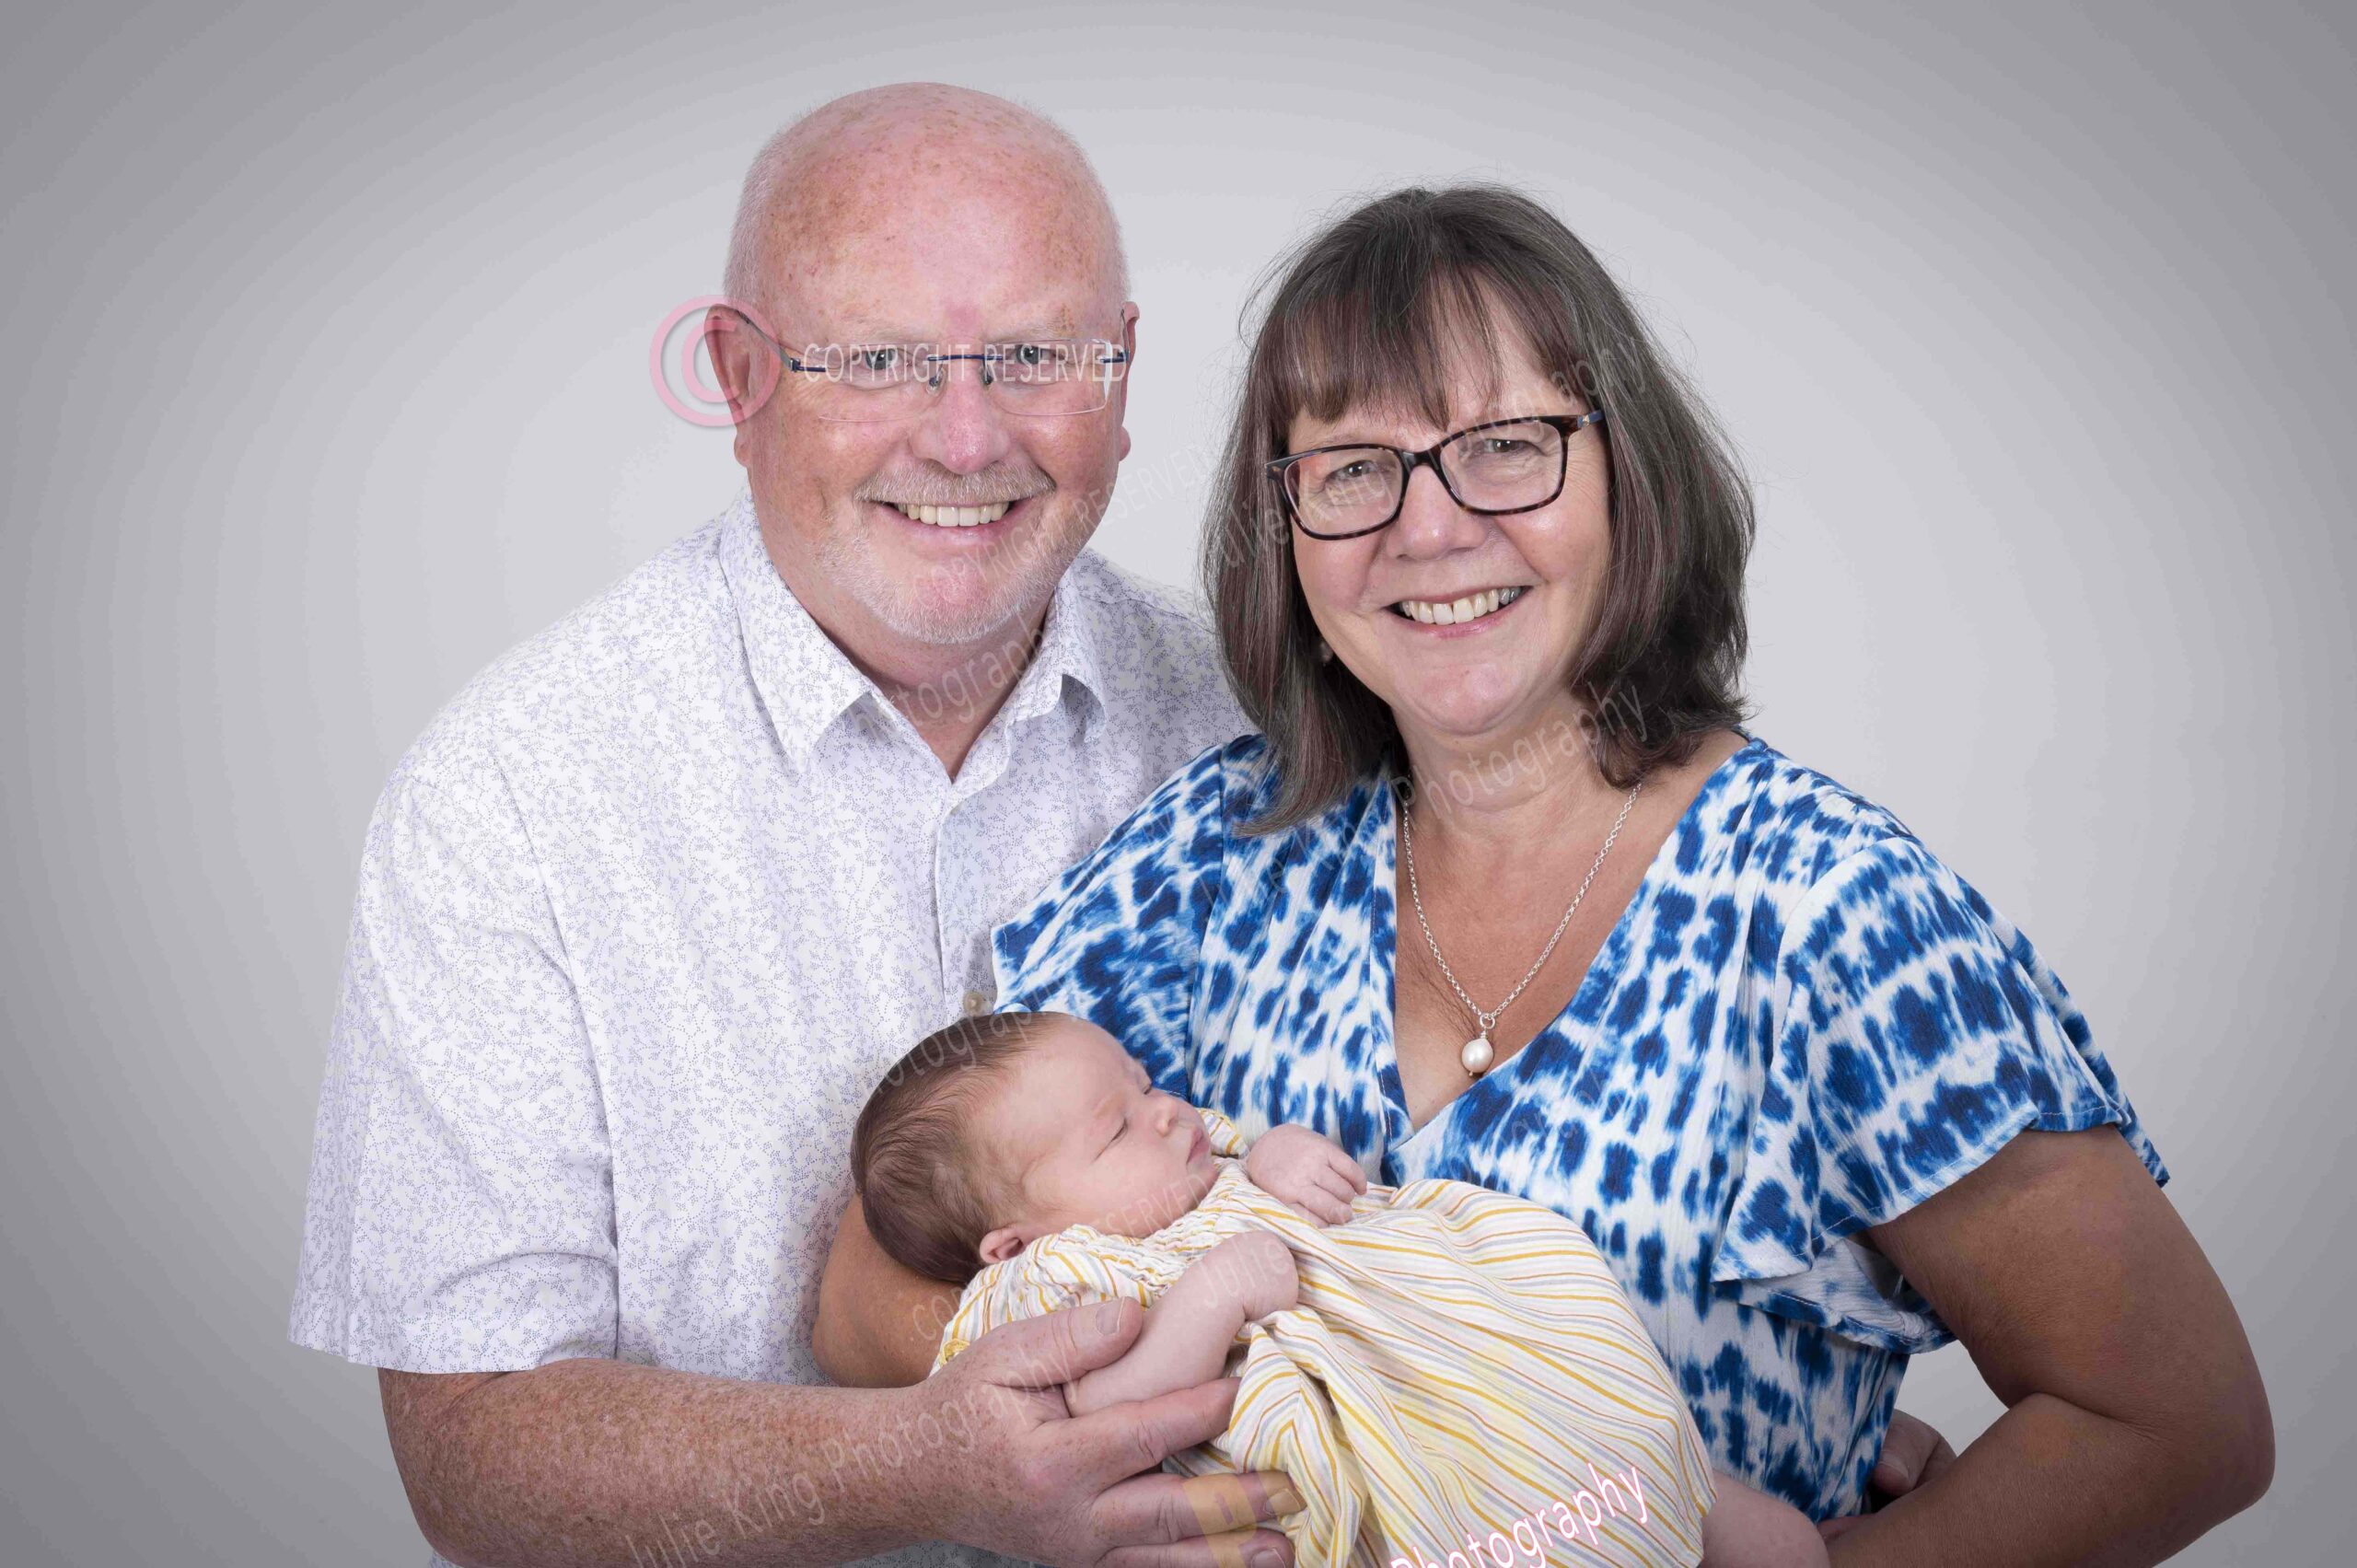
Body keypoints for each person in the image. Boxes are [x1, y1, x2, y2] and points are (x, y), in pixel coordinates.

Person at [818, 184, 2273, 1564]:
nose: (1430, 526)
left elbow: (2172, 1423)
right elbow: (870, 1282)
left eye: (1508, 443)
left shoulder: (1833, 916)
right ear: (1287, 526)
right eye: (1354, 468)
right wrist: (1107, 1448)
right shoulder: (1219, 851)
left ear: (1628, 468)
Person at [287, 84, 1300, 1568]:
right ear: (737, 372)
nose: (966, 437)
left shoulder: (1257, 728)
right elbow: (473, 1446)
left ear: (1122, 372)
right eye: (877, 359)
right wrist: (926, 1467)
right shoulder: (511, 795)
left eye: (1034, 356)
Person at [850, 1009, 1836, 1568]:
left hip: (1477, 1358)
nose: (1165, 1114)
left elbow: (1281, 1171)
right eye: (1115, 1128)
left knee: (1720, 1504)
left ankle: (1674, 1482)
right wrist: (1208, 1300)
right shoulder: (1050, 1278)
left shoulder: (1197, 1162)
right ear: (1013, 1241)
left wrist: (1277, 1154)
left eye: (1145, 1084)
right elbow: (1097, 1416)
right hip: (1395, 1466)